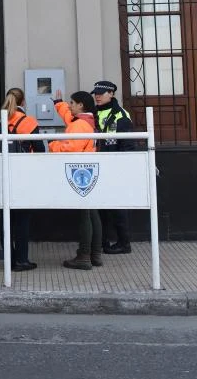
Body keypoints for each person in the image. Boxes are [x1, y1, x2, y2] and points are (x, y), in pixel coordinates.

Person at [50, 89, 103, 270]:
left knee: (85, 214)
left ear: (80, 105)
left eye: (72, 103)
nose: (70, 106)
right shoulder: (86, 121)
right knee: (93, 213)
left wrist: (52, 144)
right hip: (90, 171)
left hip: (80, 173)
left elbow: (69, 148)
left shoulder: (79, 125)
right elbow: (68, 117)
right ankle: (96, 254)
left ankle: (84, 256)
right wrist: (59, 103)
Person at [0, 87, 42, 271]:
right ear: (23, 102)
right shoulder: (28, 122)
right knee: (22, 219)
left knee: (5, 219)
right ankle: (22, 260)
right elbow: (39, 150)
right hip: (23, 174)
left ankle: (9, 259)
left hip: (3, 174)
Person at [92, 80, 135, 255]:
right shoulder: (93, 113)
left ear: (112, 94)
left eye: (102, 93)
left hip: (115, 166)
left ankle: (124, 243)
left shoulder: (121, 116)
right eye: (96, 93)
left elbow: (128, 145)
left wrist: (122, 169)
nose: (98, 96)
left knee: (117, 207)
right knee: (99, 207)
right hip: (97, 165)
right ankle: (102, 241)